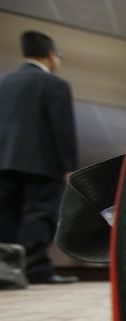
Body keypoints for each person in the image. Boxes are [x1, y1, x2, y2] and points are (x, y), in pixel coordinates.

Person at [0, 31, 79, 284]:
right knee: (40, 213)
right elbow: (62, 128)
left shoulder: (5, 82)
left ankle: (7, 270)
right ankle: (34, 269)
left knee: (7, 214)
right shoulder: (54, 84)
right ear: (51, 55)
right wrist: (69, 165)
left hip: (4, 161)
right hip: (41, 162)